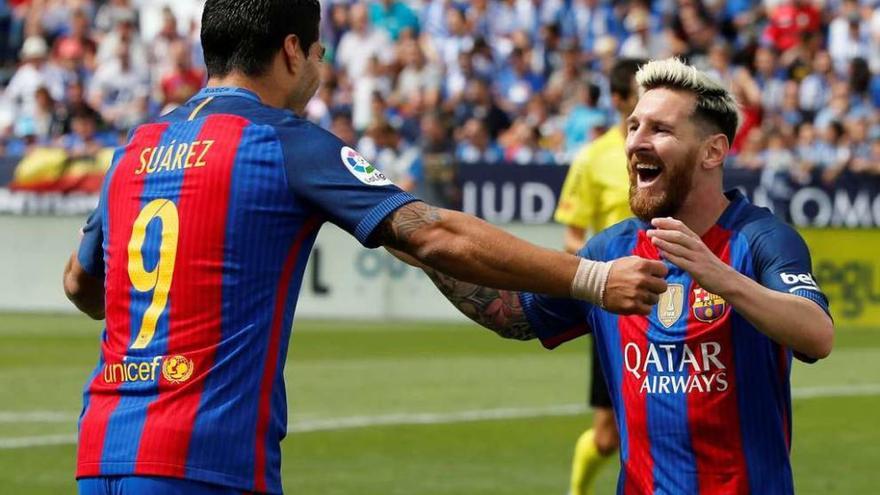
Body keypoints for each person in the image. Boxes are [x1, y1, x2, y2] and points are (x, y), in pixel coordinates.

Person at [61, 2, 668, 494]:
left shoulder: (136, 148)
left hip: (101, 449)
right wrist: (592, 279)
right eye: (319, 52)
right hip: (203, 457)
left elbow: (80, 285)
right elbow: (434, 231)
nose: (319, 68)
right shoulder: (284, 142)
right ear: (293, 50)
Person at [413, 58, 834, 494]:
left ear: (713, 151)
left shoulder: (762, 239)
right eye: (634, 126)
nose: (636, 142)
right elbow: (512, 314)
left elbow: (816, 334)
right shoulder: (610, 250)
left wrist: (720, 276)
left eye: (660, 129)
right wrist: (422, 246)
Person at [554, 58, 644, 495]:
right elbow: (573, 237)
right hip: (616, 302)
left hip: (673, 296)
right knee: (608, 436)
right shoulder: (593, 159)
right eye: (638, 94)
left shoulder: (670, 149)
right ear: (618, 101)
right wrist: (604, 274)